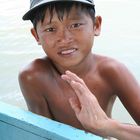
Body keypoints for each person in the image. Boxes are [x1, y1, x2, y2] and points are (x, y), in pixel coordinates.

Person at [19, 0, 140, 139]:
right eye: (50, 29)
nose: (64, 39)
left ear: (96, 25)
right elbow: (41, 135)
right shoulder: (33, 76)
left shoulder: (113, 71)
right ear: (36, 35)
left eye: (75, 25)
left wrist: (107, 126)